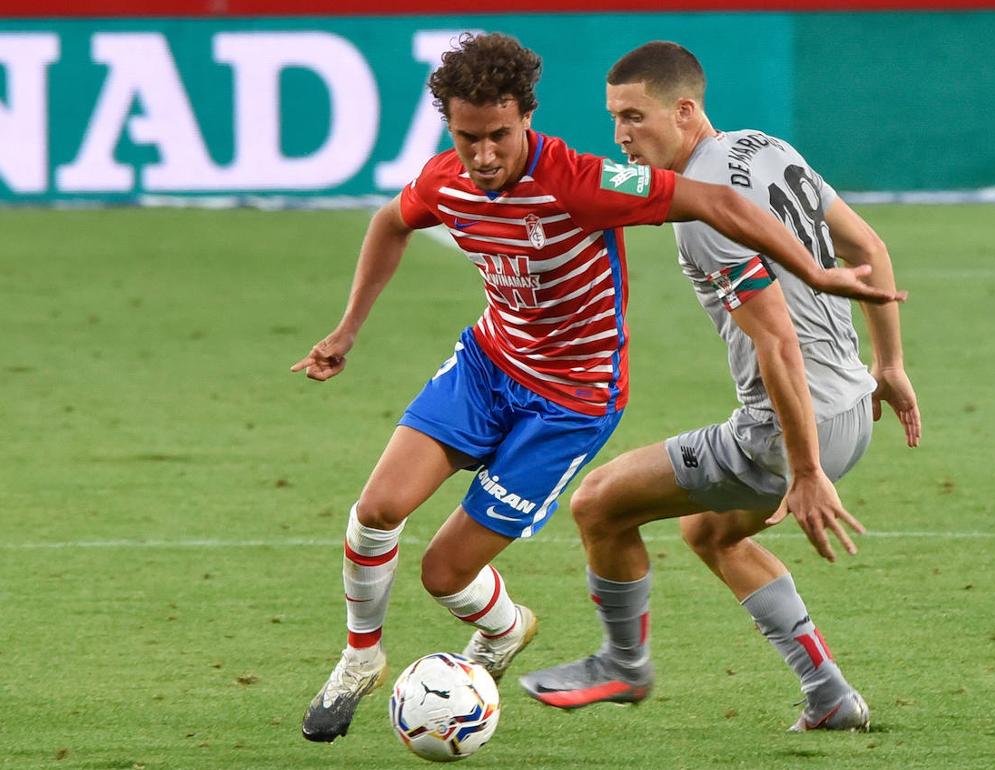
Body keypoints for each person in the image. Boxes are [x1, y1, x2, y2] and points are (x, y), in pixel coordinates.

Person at [292, 32, 903, 744]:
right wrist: (347, 330)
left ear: (527, 118)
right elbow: (392, 221)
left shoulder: (592, 183)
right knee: (379, 510)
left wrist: (815, 286)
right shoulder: (448, 180)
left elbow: (733, 243)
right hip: (495, 367)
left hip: (583, 402)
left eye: (498, 136)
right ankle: (361, 659)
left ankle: (593, 655)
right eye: (466, 138)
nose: (482, 156)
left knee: (523, 539)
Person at [518, 41, 921, 732]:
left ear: (684, 110)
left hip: (790, 431)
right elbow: (869, 248)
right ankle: (828, 694)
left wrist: (804, 471)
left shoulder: (706, 215)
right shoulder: (766, 147)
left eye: (634, 117)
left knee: (598, 504)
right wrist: (889, 366)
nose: (621, 136)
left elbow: (777, 341)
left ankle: (623, 663)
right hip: (854, 406)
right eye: (614, 118)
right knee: (709, 531)